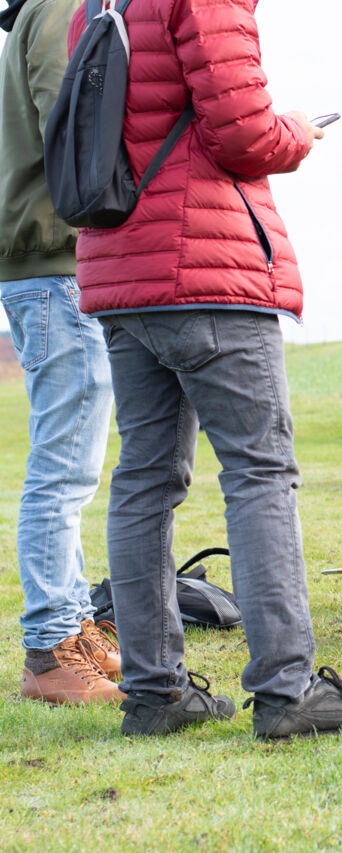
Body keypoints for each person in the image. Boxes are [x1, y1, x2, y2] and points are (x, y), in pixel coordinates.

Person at [73, 0, 342, 737]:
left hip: (122, 268)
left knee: (144, 482)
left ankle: (155, 692)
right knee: (259, 472)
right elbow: (244, 132)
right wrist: (300, 133)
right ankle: (287, 691)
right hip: (206, 268)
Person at [1, 0, 121, 705]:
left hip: (52, 268)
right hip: (56, 267)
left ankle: (71, 625)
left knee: (72, 466)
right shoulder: (56, 10)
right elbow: (73, 122)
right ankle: (48, 651)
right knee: (64, 469)